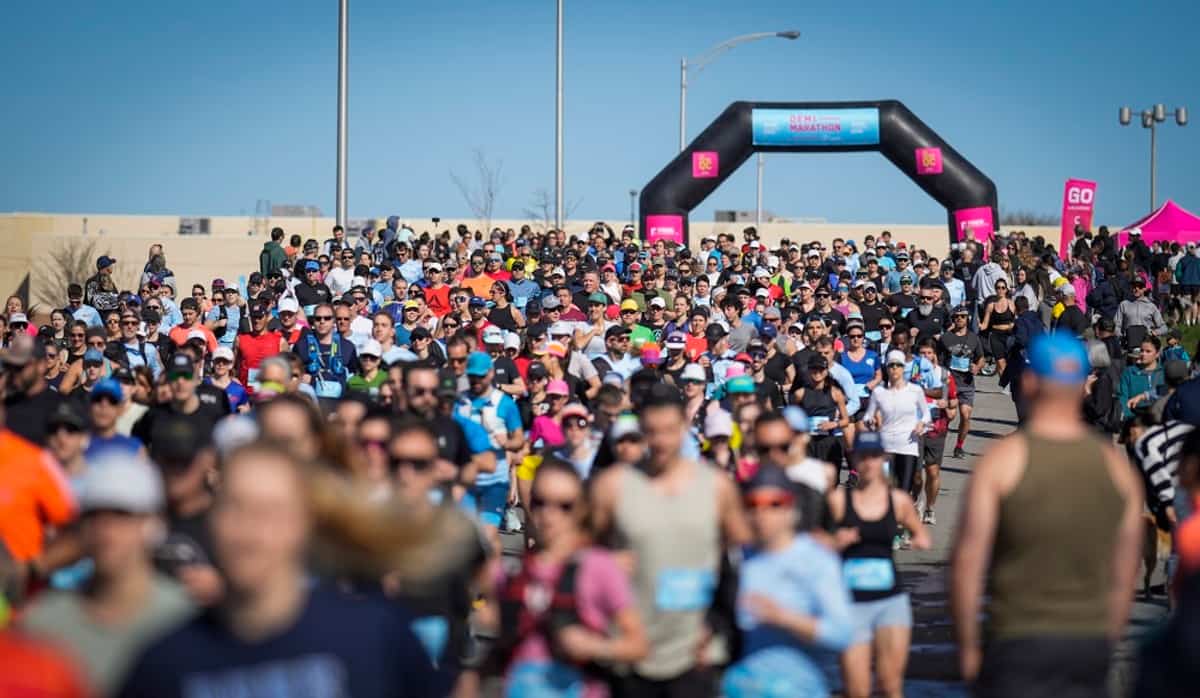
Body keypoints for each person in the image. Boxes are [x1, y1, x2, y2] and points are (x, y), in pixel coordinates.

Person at [117, 442, 437, 697]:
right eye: (235, 507)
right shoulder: (162, 666)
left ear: (304, 524)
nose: (250, 531)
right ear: (211, 520)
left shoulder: (375, 636)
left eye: (269, 511)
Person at [950, 332, 1142, 696]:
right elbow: (1125, 570)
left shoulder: (1002, 462)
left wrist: (969, 649)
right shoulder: (1115, 469)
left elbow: (967, 564)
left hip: (1016, 639)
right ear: (1084, 385)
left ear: (1029, 382)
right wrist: (1107, 637)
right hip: (1087, 642)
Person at [590, 384, 751, 697]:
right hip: (631, 648)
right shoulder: (612, 487)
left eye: (669, 431)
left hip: (696, 651)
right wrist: (605, 565)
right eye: (651, 432)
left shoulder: (716, 487)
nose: (661, 442)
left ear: (685, 427)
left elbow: (745, 556)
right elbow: (584, 555)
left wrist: (722, 626)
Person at [21, 452, 194, 695]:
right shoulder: (41, 627)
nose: (106, 531)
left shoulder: (185, 620)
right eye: (94, 516)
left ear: (153, 524)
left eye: (121, 515)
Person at [490, 457, 648, 697]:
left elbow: (638, 645)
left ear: (581, 509)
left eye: (564, 506)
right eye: (540, 503)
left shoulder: (598, 566)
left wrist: (594, 647)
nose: (549, 515)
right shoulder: (513, 569)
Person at [722, 465, 855, 698]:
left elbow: (842, 633)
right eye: (753, 504)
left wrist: (784, 618)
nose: (762, 513)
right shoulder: (736, 559)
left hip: (799, 689)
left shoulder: (817, 560)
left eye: (774, 503)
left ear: (791, 509)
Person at [828, 430, 930, 698]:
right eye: (863, 457)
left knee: (891, 686)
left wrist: (917, 540)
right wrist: (836, 541)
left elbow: (921, 535)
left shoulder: (898, 501)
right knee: (857, 689)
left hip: (890, 602)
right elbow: (815, 544)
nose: (869, 463)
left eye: (874, 456)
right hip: (850, 604)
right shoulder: (839, 501)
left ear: (883, 458)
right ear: (855, 459)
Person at [863, 350, 930, 504]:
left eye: (898, 365)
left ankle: (902, 520)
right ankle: (889, 523)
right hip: (885, 447)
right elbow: (868, 415)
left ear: (903, 368)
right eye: (891, 365)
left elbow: (926, 415)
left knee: (903, 491)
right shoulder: (879, 392)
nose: (894, 368)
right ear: (887, 368)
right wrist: (870, 421)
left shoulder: (915, 391)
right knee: (886, 489)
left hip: (908, 446)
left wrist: (921, 423)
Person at [939, 306, 984, 459]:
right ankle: (937, 442)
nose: (959, 319)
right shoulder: (946, 338)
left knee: (965, 415)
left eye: (963, 316)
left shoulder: (973, 338)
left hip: (966, 382)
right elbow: (937, 359)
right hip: (949, 381)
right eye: (956, 316)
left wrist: (977, 367)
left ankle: (959, 447)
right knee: (950, 416)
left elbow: (981, 358)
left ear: (967, 319)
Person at [1119, 336, 1166, 419]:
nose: (1143, 354)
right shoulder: (1129, 372)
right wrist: (1129, 417)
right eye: (1141, 350)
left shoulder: (1164, 372)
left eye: (1148, 351)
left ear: (1157, 354)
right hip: (1135, 417)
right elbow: (1123, 397)